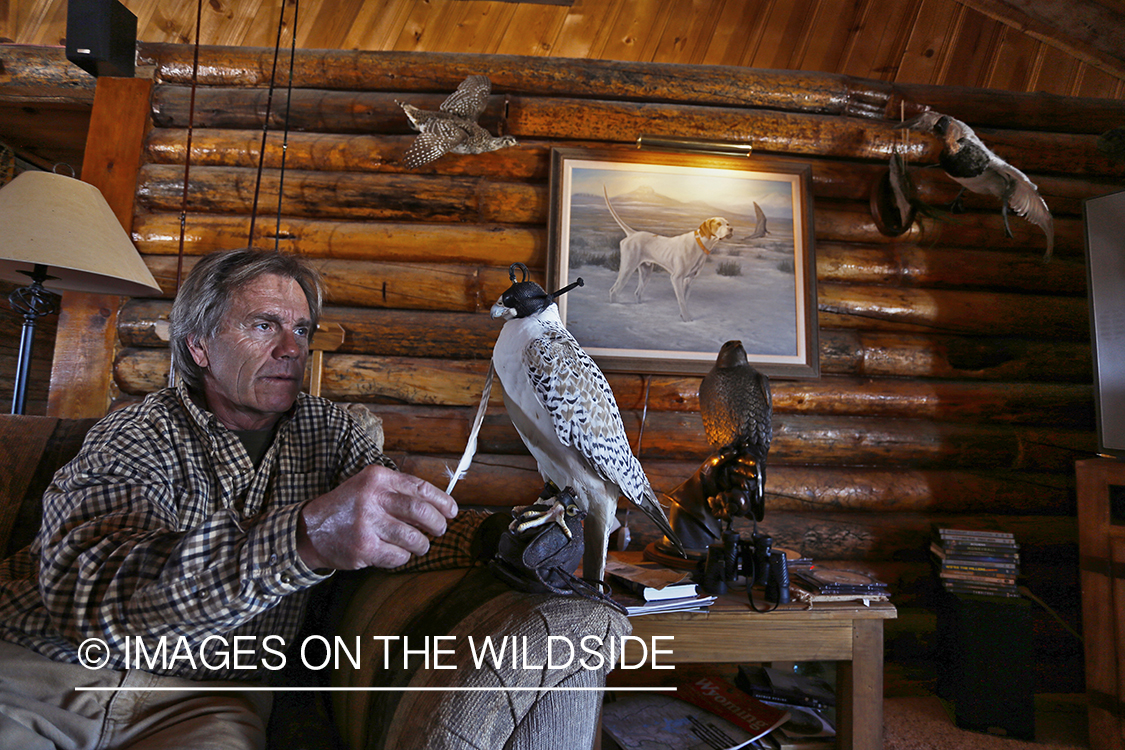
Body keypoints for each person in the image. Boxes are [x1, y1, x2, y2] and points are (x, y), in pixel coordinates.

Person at [0, 248, 486, 749]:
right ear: (199, 346)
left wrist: (505, 538)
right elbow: (95, 602)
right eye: (263, 326)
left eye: (301, 330)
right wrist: (305, 537)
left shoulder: (335, 433)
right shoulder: (137, 431)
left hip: (208, 699)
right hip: (47, 669)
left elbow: (405, 526)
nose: (291, 349)